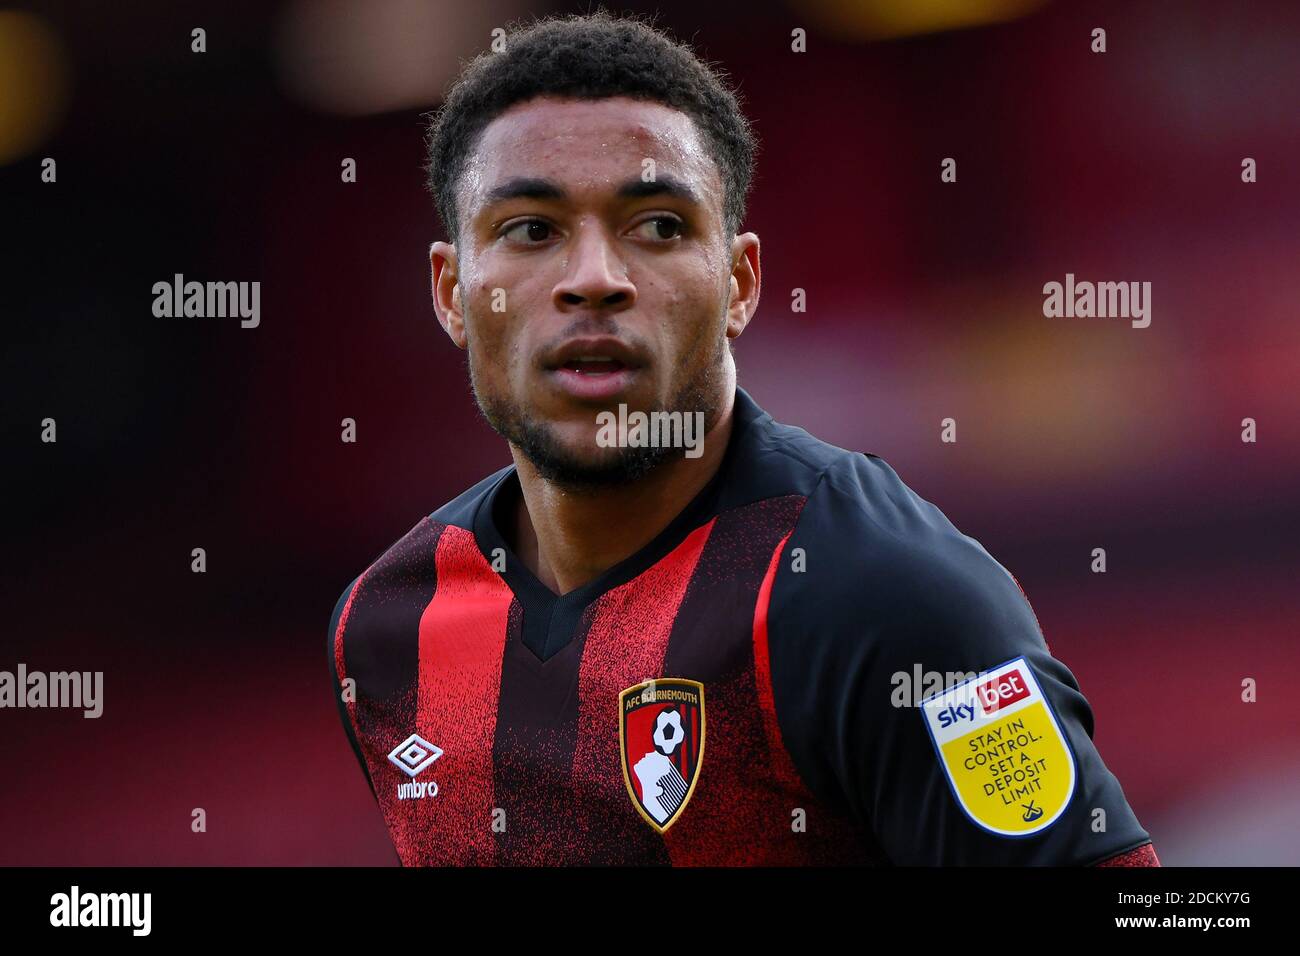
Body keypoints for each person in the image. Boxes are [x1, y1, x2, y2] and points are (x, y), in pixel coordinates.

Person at [328, 10, 1158, 866]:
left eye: (657, 225)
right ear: (452, 293)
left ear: (739, 284)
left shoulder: (890, 597)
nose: (594, 280)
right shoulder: (387, 627)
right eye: (532, 230)